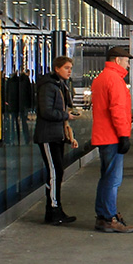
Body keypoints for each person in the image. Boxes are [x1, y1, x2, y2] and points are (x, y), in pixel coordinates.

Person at [91, 46, 133, 233]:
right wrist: (124, 135)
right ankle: (109, 217)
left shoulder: (101, 78)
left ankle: (103, 216)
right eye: (126, 60)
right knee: (113, 180)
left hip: (103, 135)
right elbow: (117, 110)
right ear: (117, 60)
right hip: (112, 135)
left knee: (106, 177)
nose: (127, 64)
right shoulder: (115, 80)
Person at [35, 56, 80, 226]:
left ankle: (55, 207)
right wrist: (65, 116)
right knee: (54, 172)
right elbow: (46, 111)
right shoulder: (49, 87)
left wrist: (68, 136)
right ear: (57, 68)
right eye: (66, 67)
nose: (69, 71)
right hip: (48, 135)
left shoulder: (59, 86)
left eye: (70, 67)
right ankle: (53, 209)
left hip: (56, 135)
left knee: (57, 172)